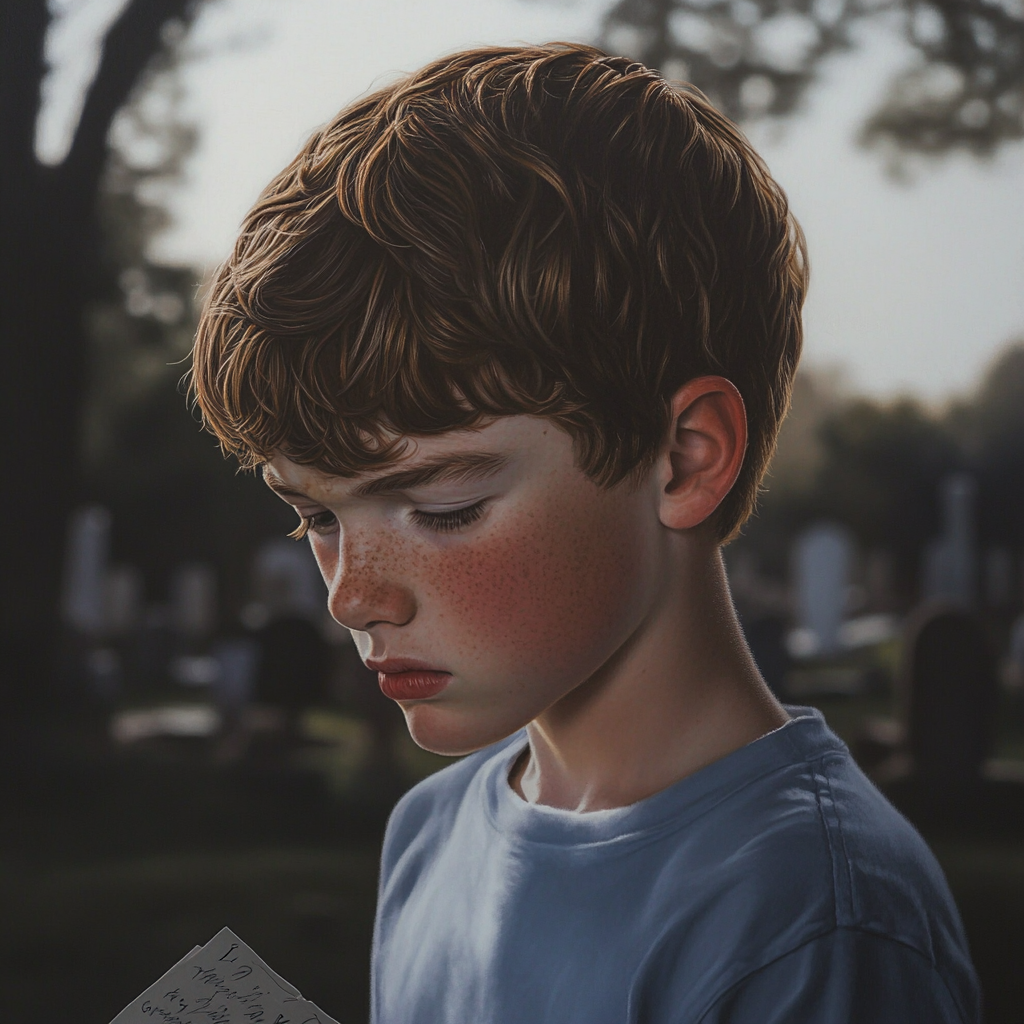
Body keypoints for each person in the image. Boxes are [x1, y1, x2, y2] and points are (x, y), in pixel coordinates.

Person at [189, 43, 980, 1023]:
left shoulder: (806, 920)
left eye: (440, 507)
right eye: (315, 515)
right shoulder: (431, 830)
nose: (350, 595)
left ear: (685, 458)